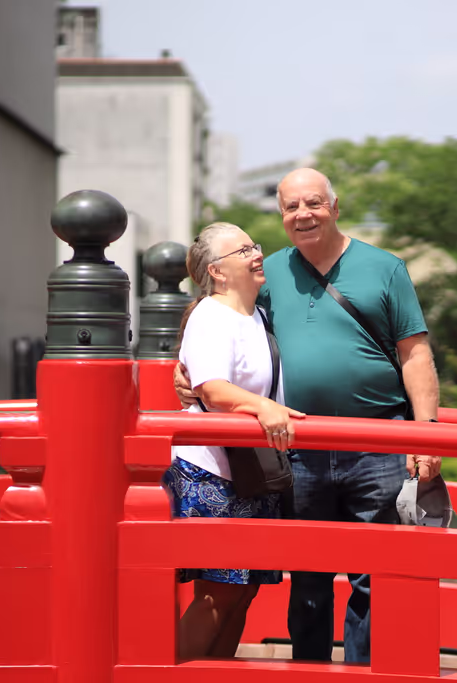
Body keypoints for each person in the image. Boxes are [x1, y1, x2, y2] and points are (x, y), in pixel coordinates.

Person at [176, 168, 441, 663]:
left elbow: (416, 355)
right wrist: (185, 369)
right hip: (297, 448)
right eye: (291, 206)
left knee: (374, 577)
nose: (303, 214)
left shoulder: (384, 268)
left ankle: (363, 673)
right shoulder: (269, 272)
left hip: (377, 443)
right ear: (282, 214)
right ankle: (309, 669)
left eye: (314, 203)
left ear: (335, 207)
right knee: (308, 578)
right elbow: (217, 311)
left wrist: (427, 436)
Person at [164, 221, 306, 660]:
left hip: (252, 469)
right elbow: (212, 389)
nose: (256, 254)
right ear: (217, 271)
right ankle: (167, 674)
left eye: (253, 246)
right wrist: (264, 407)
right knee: (217, 593)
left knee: (242, 592)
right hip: (212, 470)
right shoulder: (211, 315)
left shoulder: (257, 315)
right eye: (242, 251)